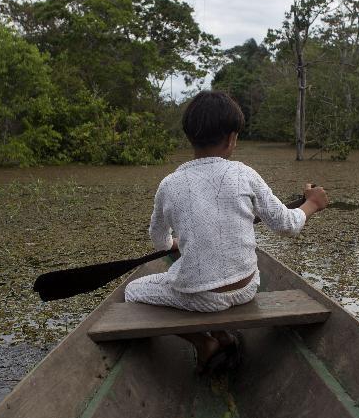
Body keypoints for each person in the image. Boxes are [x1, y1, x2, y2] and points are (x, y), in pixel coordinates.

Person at [124, 90, 329, 373]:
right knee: (192, 283)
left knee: (133, 291)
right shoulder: (244, 174)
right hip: (247, 288)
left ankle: (203, 342)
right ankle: (221, 335)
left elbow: (159, 241)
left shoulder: (169, 185)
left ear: (189, 136)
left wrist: (173, 242)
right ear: (232, 138)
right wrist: (312, 204)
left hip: (200, 298)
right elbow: (287, 223)